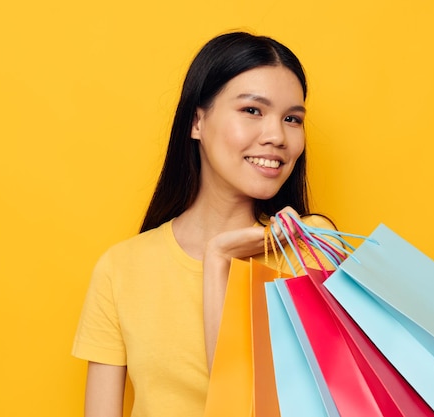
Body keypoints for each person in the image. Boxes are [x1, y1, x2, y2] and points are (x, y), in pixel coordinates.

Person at [72, 31, 335, 417]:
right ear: (197, 122)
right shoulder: (122, 268)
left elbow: (249, 408)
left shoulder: (310, 249)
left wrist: (219, 261)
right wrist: (219, 255)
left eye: (292, 119)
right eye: (252, 111)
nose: (278, 136)